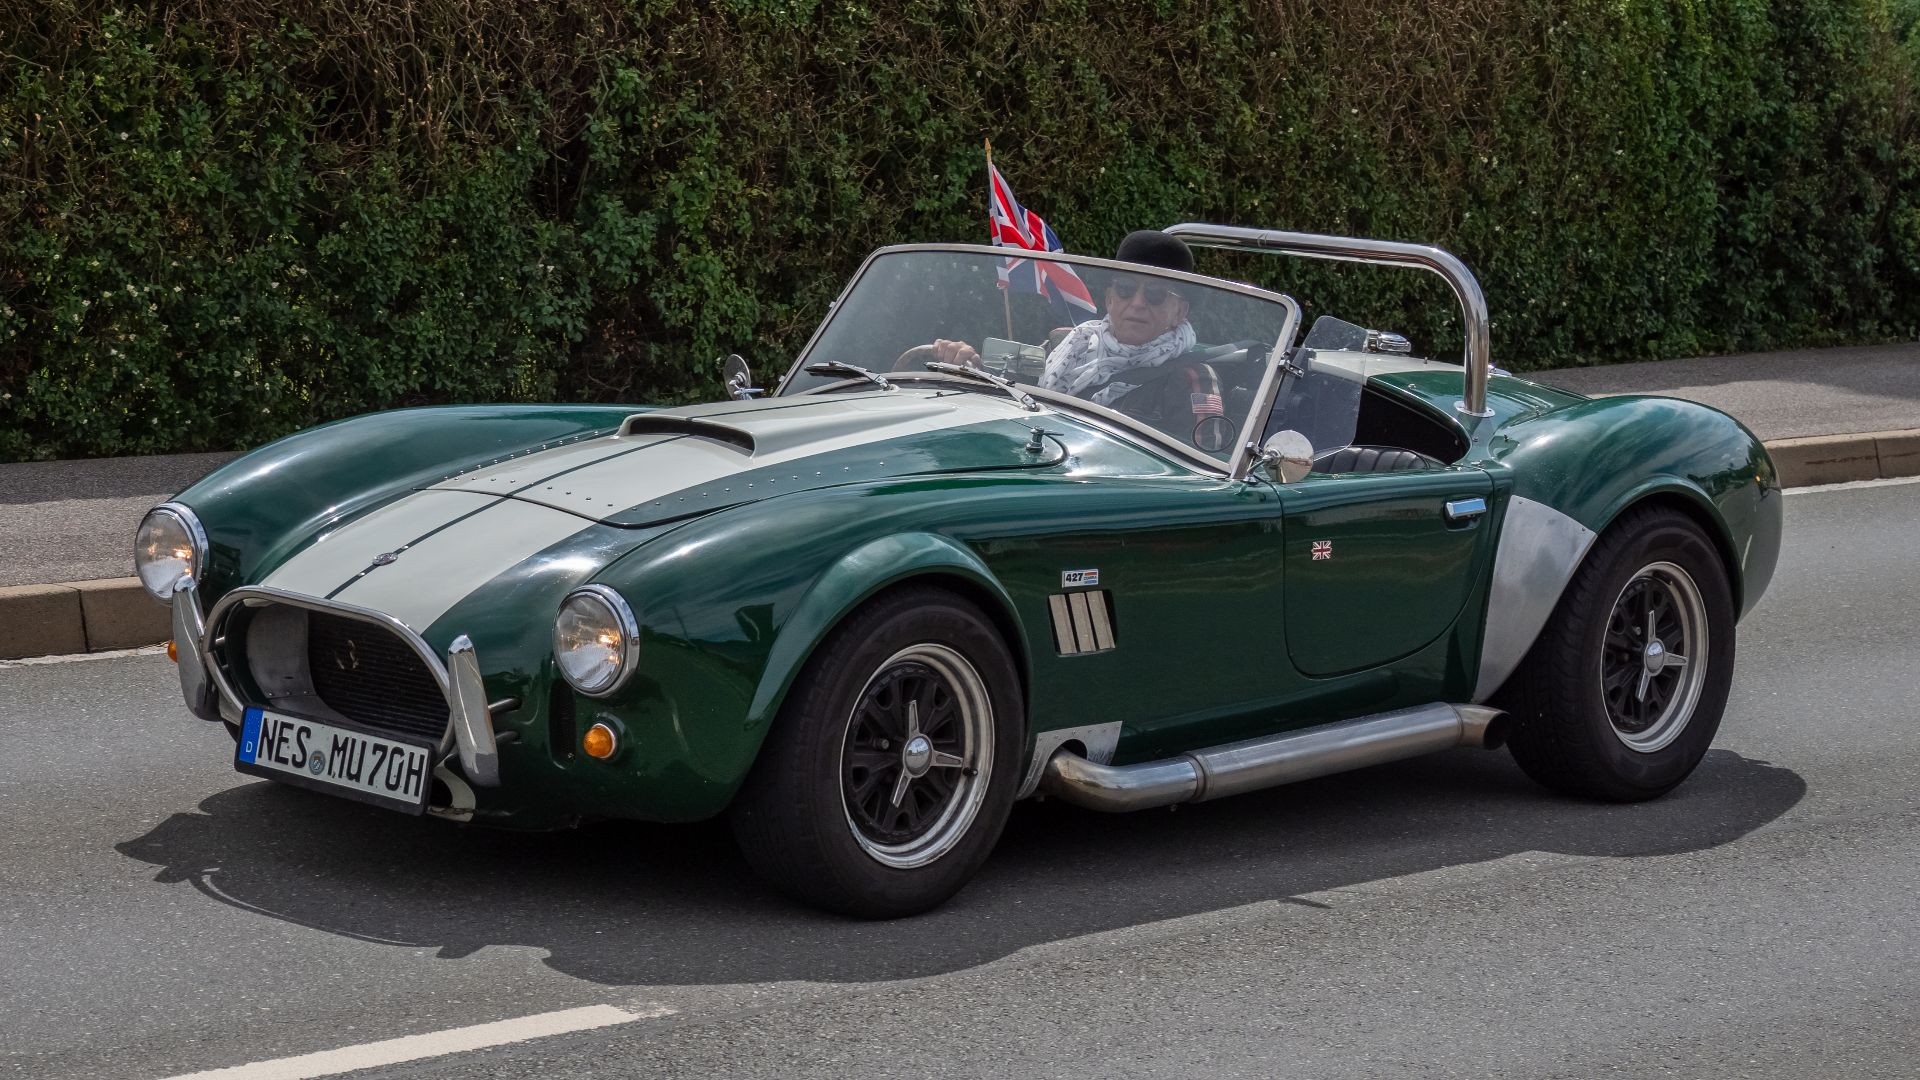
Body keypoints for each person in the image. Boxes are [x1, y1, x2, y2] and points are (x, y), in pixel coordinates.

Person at [1037, 230, 1196, 405]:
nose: (1137, 303)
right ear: (1109, 299)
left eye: (1156, 293)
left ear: (1180, 312)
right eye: (1125, 287)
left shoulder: (1191, 382)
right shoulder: (1066, 343)